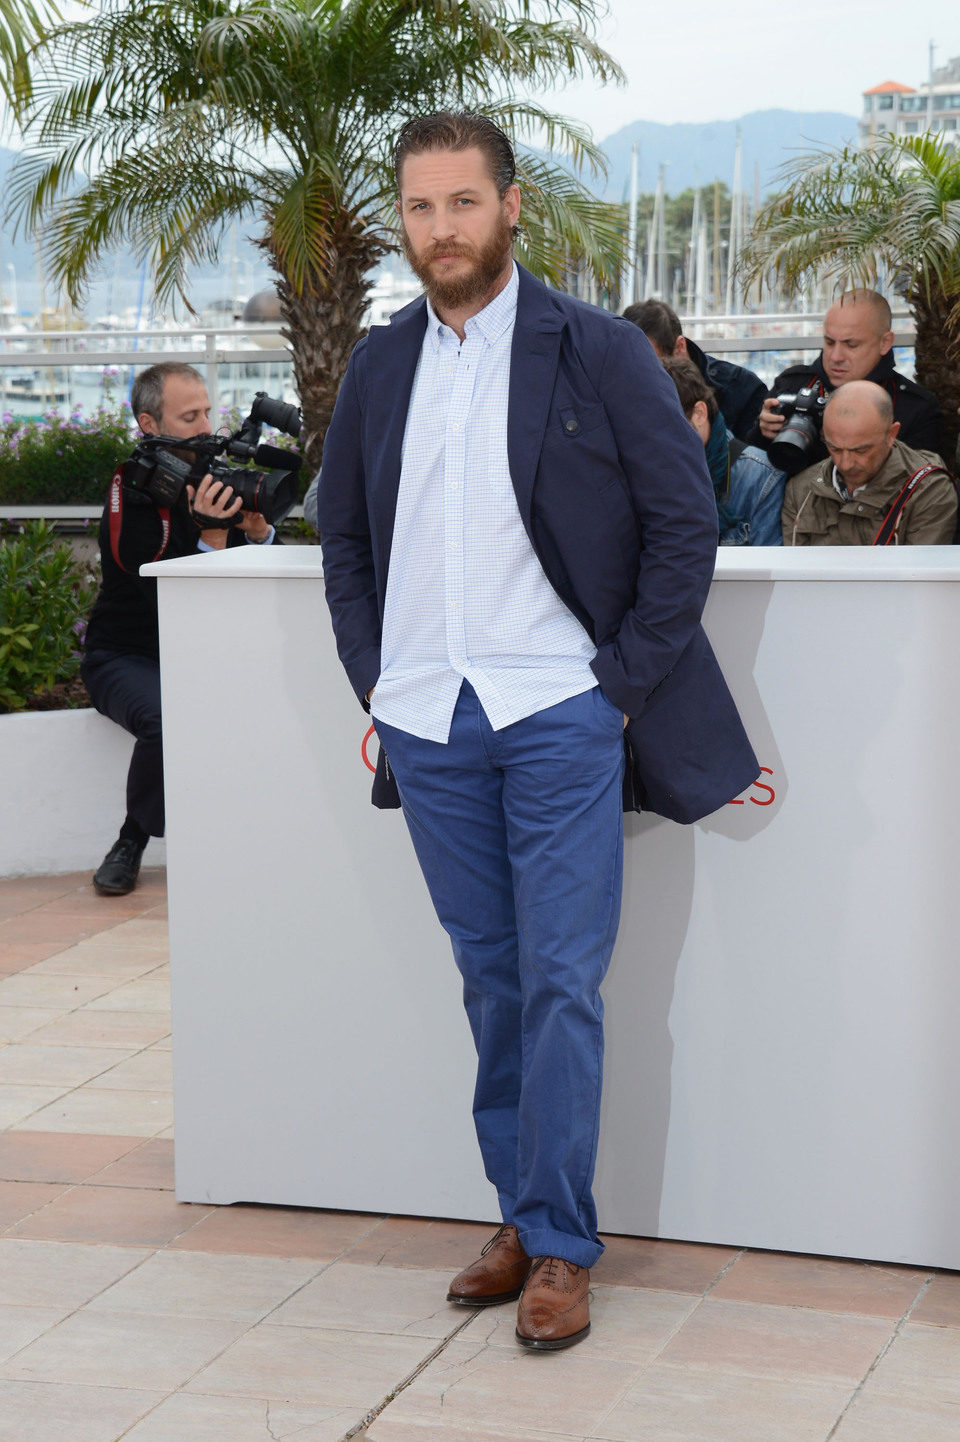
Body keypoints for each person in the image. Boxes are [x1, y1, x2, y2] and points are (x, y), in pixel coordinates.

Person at [317, 111, 758, 1351]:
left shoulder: (598, 348)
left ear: (511, 209)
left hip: (559, 714)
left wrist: (613, 686)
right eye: (420, 208)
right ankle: (520, 1211)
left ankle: (560, 1242)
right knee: (493, 977)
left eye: (464, 203)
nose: (442, 229)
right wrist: (375, 677)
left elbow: (687, 527)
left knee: (563, 978)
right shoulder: (380, 362)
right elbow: (344, 537)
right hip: (430, 721)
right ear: (400, 221)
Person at [82, 362, 279, 896]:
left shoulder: (215, 476)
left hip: (206, 655)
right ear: (149, 423)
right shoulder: (134, 488)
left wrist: (259, 533)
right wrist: (211, 534)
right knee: (170, 716)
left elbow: (266, 583)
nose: (205, 426)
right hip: (126, 657)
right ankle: (132, 839)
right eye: (189, 416)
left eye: (208, 412)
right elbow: (162, 594)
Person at [750, 289, 942, 476]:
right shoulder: (793, 385)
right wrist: (763, 431)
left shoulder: (915, 409)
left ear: (885, 343)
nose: (836, 356)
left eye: (851, 345)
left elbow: (918, 489)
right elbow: (752, 470)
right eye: (829, 342)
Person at [781, 380, 956, 545]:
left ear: (891, 435)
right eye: (834, 448)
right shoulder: (801, 490)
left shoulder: (927, 489)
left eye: (860, 450)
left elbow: (917, 574)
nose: (845, 464)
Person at [662, 356, 785, 545]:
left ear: (700, 413)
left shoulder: (760, 478)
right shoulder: (641, 469)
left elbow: (767, 569)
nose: (658, 442)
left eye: (667, 428)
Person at [623, 297, 766, 441]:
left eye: (649, 364)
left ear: (679, 347)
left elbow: (755, 455)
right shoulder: (619, 389)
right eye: (629, 365)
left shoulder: (742, 389)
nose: (640, 376)